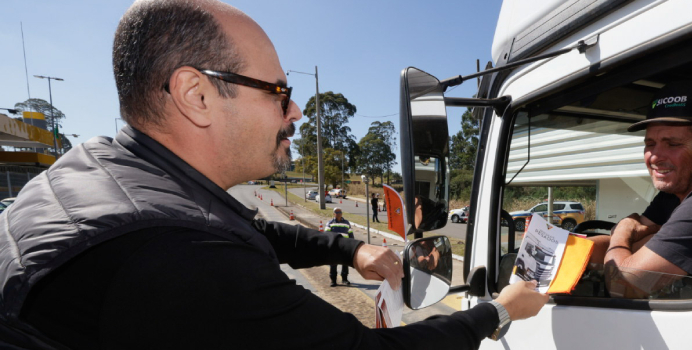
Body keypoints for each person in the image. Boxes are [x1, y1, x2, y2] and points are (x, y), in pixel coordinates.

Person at [0, 1, 548, 349]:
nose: (296, 113)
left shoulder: (104, 167)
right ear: (197, 95)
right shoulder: (179, 256)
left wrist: (349, 251)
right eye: (279, 92)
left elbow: (254, 231)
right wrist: (498, 310)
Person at [590, 80, 692, 292]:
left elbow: (623, 284)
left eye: (673, 144)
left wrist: (622, 229)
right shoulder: (680, 185)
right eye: (650, 144)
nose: (655, 157)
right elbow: (631, 247)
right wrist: (565, 249)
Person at [327, 207, 355, 286]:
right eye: (336, 212)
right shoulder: (330, 223)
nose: (338, 213)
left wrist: (352, 245)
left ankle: (344, 279)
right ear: (334, 213)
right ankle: (333, 280)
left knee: (345, 263)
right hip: (334, 247)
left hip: (345, 247)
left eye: (340, 212)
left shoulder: (346, 223)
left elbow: (350, 234)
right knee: (333, 264)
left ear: (342, 213)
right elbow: (326, 235)